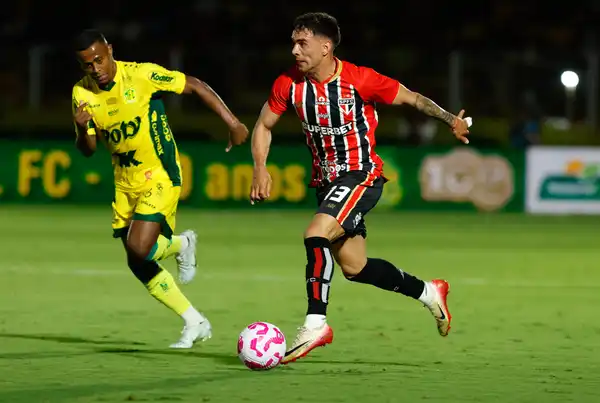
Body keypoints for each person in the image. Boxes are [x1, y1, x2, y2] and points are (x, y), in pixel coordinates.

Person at [249, 12, 472, 364]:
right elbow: (264, 125)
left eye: (302, 43)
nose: (294, 50)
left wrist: (450, 120)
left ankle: (315, 324)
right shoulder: (288, 84)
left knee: (315, 234)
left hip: (360, 175)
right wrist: (260, 168)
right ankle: (429, 292)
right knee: (355, 267)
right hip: (326, 183)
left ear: (326, 47)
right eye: (293, 43)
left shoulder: (359, 79)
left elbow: (412, 98)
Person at [71, 29, 248, 348]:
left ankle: (182, 244)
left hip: (159, 174)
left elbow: (194, 85)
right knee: (137, 261)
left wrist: (233, 123)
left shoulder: (142, 75)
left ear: (110, 50)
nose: (95, 68)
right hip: (125, 184)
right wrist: (83, 130)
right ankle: (194, 320)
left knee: (139, 248)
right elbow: (87, 150)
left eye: (99, 60)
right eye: (87, 64)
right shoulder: (81, 93)